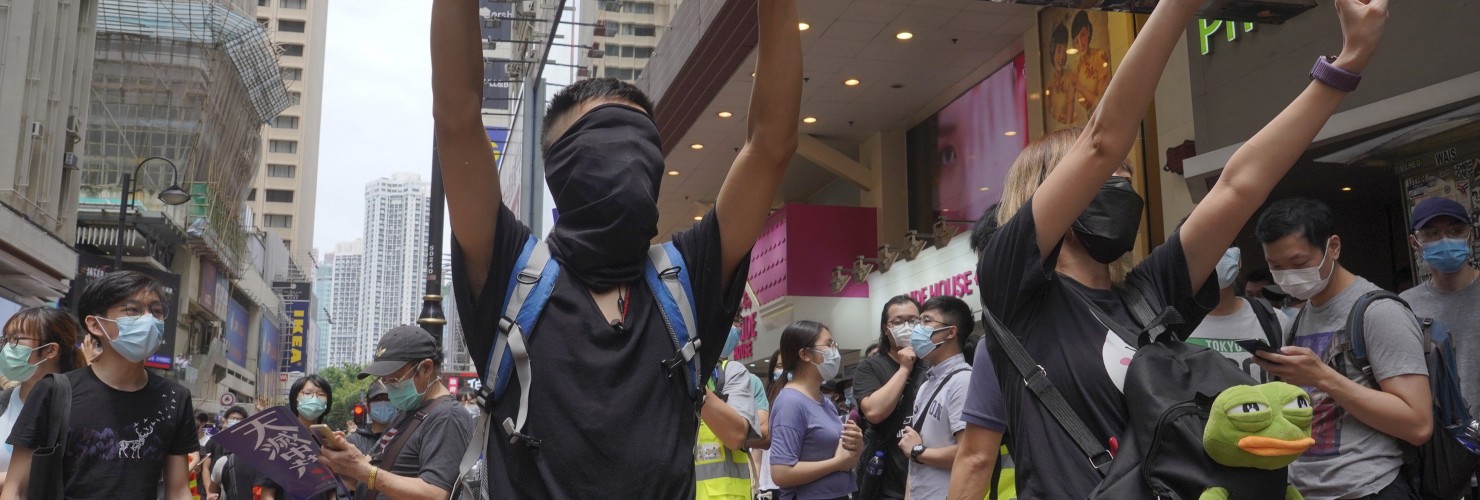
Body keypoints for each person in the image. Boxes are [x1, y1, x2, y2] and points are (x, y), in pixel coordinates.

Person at [956, 0, 1392, 496]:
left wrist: (1347, 64)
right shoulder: (1015, 291)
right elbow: (1101, 140)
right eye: (1106, 178)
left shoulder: (1147, 295)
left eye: (1126, 177)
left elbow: (1239, 186)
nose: (1121, 186)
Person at [431, 0, 800, 493]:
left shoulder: (687, 279)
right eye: (604, 143)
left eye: (642, 146)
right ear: (559, 169)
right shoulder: (509, 275)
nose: (628, 163)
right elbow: (457, 118)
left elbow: (771, 145)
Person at [1250, 198, 1431, 499]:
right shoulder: (1299, 318)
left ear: (1333, 247)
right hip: (1306, 490)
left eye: (1298, 263)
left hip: (1370, 488)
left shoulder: (1380, 312)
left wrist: (1322, 377)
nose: (1288, 276)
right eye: (1276, 267)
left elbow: (1418, 424)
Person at [2, 271, 197, 499]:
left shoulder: (175, 397)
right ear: (95, 325)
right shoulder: (54, 392)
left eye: (156, 311)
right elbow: (16, 488)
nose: (149, 320)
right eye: (132, 310)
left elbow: (178, 490)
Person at [318, 325, 473, 500]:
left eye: (393, 379)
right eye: (383, 380)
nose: (389, 386)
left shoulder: (447, 416)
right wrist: (345, 462)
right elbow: (373, 480)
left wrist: (366, 472)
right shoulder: (405, 413)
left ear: (426, 368)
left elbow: (436, 494)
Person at [1400, 197, 1480, 420]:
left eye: (1455, 230)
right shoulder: (1405, 307)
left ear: (1470, 236)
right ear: (1415, 243)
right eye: (1432, 233)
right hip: (1444, 441)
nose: (1445, 240)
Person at [769, 321, 862, 500]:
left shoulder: (825, 403)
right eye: (828, 344)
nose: (834, 351)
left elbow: (839, 455)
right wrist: (836, 463)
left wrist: (856, 445)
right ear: (805, 354)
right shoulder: (790, 402)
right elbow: (781, 473)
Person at [0, 307, 86, 486]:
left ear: (50, 350)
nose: (7, 348)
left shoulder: (78, 410)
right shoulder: (4, 402)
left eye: (16, 339)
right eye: (6, 339)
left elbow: (52, 476)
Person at [898, 297, 973, 500]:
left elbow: (969, 452)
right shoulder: (926, 384)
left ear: (950, 331)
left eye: (926, 320)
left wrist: (917, 451)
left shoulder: (963, 380)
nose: (917, 329)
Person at [851, 295, 925, 499]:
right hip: (886, 479)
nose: (907, 326)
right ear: (886, 328)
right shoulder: (871, 367)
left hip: (930, 475)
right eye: (898, 322)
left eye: (913, 320)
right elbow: (874, 412)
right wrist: (904, 369)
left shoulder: (932, 362)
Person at [1186, 247, 1293, 382]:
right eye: (1199, 250)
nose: (1211, 258)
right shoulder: (1172, 325)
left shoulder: (1275, 320)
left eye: (1219, 248)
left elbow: (1291, 387)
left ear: (1238, 258)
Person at [696, 319, 758, 500]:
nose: (736, 326)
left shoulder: (731, 372)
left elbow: (736, 436)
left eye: (738, 319)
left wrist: (691, 379)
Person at [257, 374, 336, 500]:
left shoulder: (331, 442)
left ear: (327, 401)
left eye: (321, 394)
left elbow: (334, 490)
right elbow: (267, 493)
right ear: (295, 399)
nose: (314, 398)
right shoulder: (280, 441)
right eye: (307, 393)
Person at [205, 407, 262, 500]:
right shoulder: (214, 442)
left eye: (238, 419)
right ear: (225, 420)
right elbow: (206, 468)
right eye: (233, 418)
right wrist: (209, 493)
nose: (235, 421)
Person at [1070, 10, 1111, 113]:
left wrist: (1082, 89)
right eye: (1076, 41)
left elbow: (1102, 103)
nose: (1081, 44)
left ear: (1088, 31)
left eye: (1082, 35)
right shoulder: (1078, 67)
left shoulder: (1099, 56)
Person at [348, 381, 393, 455]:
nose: (383, 404)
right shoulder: (354, 441)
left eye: (388, 399)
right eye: (378, 400)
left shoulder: (404, 436)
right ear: (368, 407)